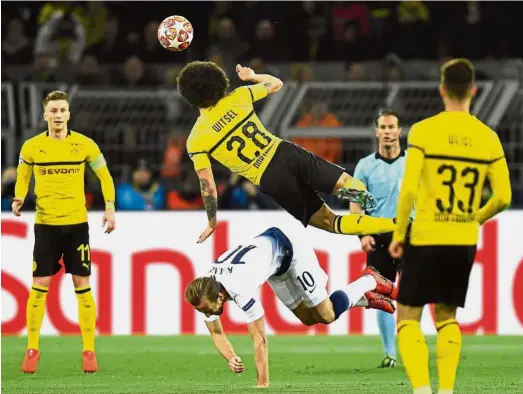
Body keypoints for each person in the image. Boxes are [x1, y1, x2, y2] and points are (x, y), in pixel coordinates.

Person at [389, 59, 512, 394]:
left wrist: (400, 234)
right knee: (447, 317)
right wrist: (474, 218)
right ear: (473, 91)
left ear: (441, 89)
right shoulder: (488, 138)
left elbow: (410, 188)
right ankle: (446, 390)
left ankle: (422, 390)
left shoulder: (423, 131)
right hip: (462, 238)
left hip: (427, 234)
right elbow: (503, 197)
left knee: (408, 318)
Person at [176, 61, 396, 244]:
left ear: (189, 96)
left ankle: (394, 226)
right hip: (286, 153)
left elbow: (208, 186)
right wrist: (252, 75)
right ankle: (383, 210)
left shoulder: (195, 139)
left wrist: (212, 220)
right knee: (348, 187)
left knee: (331, 222)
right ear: (218, 83)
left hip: (271, 179)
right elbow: (275, 83)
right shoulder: (239, 97)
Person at [184, 226, 399, 388]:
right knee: (307, 318)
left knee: (326, 314)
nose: (207, 312)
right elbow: (216, 331)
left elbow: (260, 339)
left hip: (292, 251)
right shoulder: (206, 291)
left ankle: (369, 280)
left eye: (208, 308)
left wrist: (262, 385)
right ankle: (365, 298)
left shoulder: (240, 287)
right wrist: (231, 357)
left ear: (221, 297)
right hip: (275, 268)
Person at [13, 90, 117, 374]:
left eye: (62, 110)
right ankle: (32, 349)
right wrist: (19, 197)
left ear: (69, 114)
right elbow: (23, 177)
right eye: (54, 111)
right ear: (45, 115)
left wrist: (109, 207)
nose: (58, 115)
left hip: (76, 226)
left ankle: (88, 351)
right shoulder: (32, 147)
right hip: (46, 225)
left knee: (82, 287)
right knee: (39, 286)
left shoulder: (84, 145)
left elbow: (105, 176)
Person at [351, 109, 414, 368]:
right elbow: (356, 206)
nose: (387, 131)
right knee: (381, 295)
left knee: (411, 295)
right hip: (377, 235)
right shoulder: (365, 166)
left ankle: (411, 347)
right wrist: (362, 234)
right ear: (377, 132)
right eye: (383, 127)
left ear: (399, 132)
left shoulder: (413, 162)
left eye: (392, 127)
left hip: (409, 233)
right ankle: (390, 353)